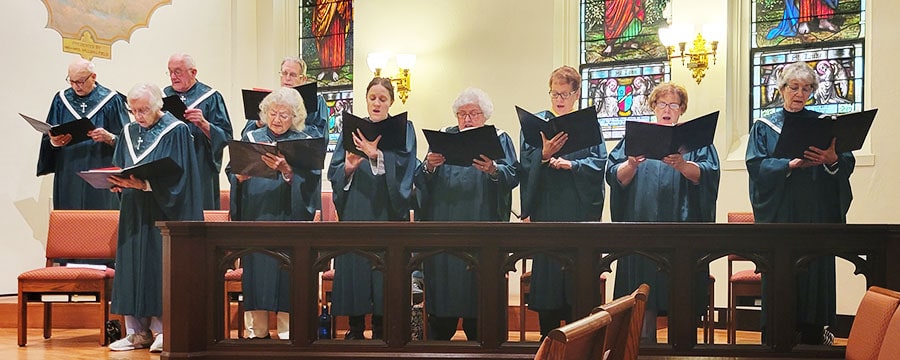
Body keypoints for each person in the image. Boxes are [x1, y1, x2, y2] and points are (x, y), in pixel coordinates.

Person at [746, 60, 852, 345]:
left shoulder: (823, 124)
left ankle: (816, 333)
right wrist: (789, 164)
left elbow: (845, 160)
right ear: (782, 89)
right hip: (781, 213)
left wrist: (832, 160)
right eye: (794, 87)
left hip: (815, 212)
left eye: (806, 89)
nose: (799, 94)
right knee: (781, 270)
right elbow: (756, 165)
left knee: (815, 269)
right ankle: (777, 333)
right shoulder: (764, 126)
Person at [606, 82, 720, 342]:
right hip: (641, 230)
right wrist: (631, 164)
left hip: (682, 230)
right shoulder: (634, 140)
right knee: (642, 294)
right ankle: (642, 345)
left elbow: (708, 174)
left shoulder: (696, 141)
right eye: (662, 104)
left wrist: (683, 165)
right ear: (653, 106)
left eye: (673, 105)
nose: (667, 109)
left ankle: (683, 347)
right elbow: (615, 177)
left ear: (682, 109)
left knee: (681, 291)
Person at [414, 88, 519, 341]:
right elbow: (420, 177)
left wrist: (494, 169)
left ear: (485, 115)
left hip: (481, 229)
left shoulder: (500, 139)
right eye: (462, 114)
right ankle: (438, 337)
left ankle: (481, 341)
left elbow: (513, 175)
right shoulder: (443, 139)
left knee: (478, 292)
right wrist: (429, 165)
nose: (467, 118)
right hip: (444, 229)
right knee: (444, 291)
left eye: (473, 113)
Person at [107, 83, 203, 352]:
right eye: (134, 110)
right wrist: (116, 182)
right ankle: (136, 331)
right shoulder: (128, 132)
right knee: (131, 266)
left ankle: (163, 330)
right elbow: (119, 166)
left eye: (144, 110)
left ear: (159, 105)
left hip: (163, 212)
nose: (138, 116)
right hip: (133, 211)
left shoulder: (177, 131)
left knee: (158, 267)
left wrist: (147, 186)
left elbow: (181, 178)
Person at [519, 66, 607, 339]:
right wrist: (543, 156)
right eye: (554, 93)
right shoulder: (537, 126)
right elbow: (525, 163)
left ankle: (578, 343)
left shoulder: (588, 125)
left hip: (577, 212)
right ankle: (548, 341)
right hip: (548, 211)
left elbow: (600, 162)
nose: (559, 99)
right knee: (548, 282)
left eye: (565, 94)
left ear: (577, 94)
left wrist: (574, 165)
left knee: (577, 284)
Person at [327, 77, 417, 340]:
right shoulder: (351, 128)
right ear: (366, 100)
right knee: (354, 264)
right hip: (357, 206)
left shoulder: (404, 129)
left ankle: (381, 327)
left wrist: (376, 155)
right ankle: (354, 328)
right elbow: (335, 169)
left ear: (391, 101)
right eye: (372, 98)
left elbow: (406, 166)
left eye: (383, 99)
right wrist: (349, 167)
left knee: (383, 269)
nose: (377, 103)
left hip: (386, 211)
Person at [228, 87, 321, 340]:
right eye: (273, 113)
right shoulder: (251, 137)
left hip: (287, 218)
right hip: (256, 216)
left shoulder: (302, 142)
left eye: (284, 115)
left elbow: (311, 180)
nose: (277, 119)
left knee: (286, 275)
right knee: (257, 275)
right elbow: (232, 172)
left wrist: (287, 171)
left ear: (295, 118)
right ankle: (256, 332)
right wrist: (239, 176)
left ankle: (287, 331)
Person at [36, 58, 129, 210]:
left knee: (100, 221)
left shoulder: (112, 101)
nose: (75, 86)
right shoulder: (61, 100)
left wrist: (110, 138)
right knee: (70, 221)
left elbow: (127, 140)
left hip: (101, 171)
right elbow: (49, 134)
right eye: (71, 81)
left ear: (93, 77)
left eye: (80, 81)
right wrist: (54, 142)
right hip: (68, 170)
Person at [164, 53, 233, 210]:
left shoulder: (211, 97)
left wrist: (203, 124)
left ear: (193, 72)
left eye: (178, 71)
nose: (173, 76)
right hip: (169, 167)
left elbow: (226, 137)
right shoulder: (163, 96)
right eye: (170, 71)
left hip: (200, 167)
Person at [240, 57, 329, 139]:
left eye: (293, 75)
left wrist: (290, 126)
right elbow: (246, 135)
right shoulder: (270, 99)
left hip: (299, 150)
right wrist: (258, 123)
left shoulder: (318, 100)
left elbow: (321, 134)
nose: (287, 78)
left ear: (303, 78)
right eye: (284, 73)